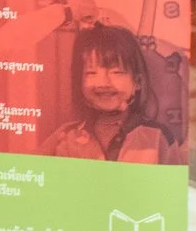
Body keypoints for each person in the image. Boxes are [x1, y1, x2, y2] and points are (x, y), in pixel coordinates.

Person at [44, 21, 174, 163]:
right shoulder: (65, 136)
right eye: (91, 73)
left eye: (116, 72)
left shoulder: (158, 138)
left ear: (137, 82)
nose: (103, 83)